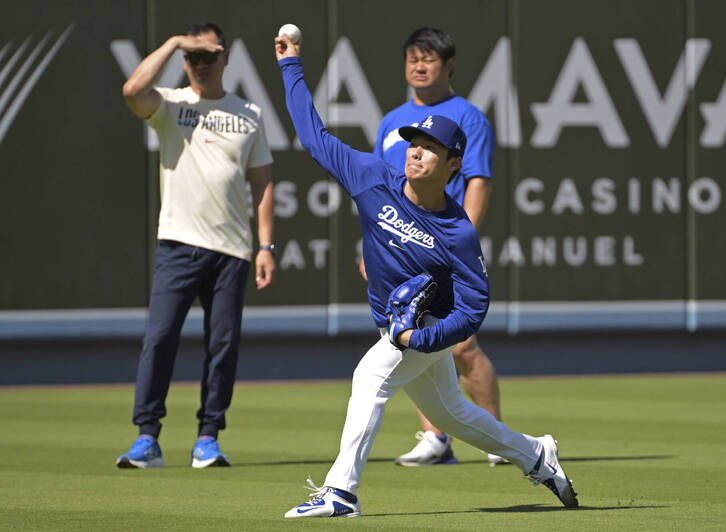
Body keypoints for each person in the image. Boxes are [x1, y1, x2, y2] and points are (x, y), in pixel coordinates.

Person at [274, 32, 577, 518]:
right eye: (414, 142)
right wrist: (291, 67)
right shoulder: (373, 177)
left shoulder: (457, 232)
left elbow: (475, 307)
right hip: (397, 323)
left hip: (418, 330)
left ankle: (340, 494)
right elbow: (313, 137)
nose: (416, 152)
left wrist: (424, 337)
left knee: (369, 377)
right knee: (450, 414)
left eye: (431, 147)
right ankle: (535, 453)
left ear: (453, 165)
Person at [116, 22, 276, 469]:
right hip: (178, 244)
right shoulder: (170, 104)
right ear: (185, 60)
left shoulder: (250, 113)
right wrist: (172, 44)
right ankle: (147, 437)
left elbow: (262, 184)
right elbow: (132, 89)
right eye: (194, 57)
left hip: (232, 251)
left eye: (210, 56)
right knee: (160, 338)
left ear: (226, 58)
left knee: (222, 345)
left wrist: (267, 246)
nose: (201, 65)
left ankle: (208, 437)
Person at [370, 27, 505, 467]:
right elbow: (378, 193)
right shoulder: (393, 122)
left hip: (443, 246)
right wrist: (371, 247)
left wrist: (456, 245)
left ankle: (495, 438)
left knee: (463, 346)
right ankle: (434, 439)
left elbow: (478, 182)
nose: (419, 66)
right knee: (412, 339)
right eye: (412, 58)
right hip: (397, 249)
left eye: (428, 58)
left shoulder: (468, 117)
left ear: (448, 66)